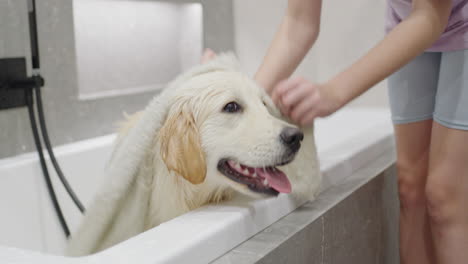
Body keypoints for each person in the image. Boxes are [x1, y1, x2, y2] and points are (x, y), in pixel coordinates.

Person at [206, 0, 468, 263]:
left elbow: (430, 16)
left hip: (437, 18)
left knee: (444, 197)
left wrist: (333, 92)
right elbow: (299, 23)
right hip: (409, 19)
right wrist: (246, 105)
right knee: (411, 188)